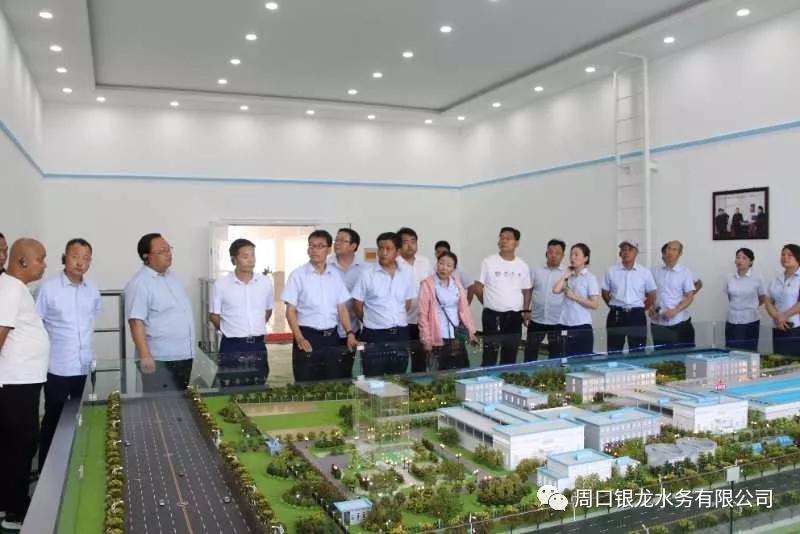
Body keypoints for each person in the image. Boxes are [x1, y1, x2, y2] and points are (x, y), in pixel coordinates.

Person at [35, 239, 103, 473]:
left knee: (84, 417)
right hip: (58, 367)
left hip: (86, 367)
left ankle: (76, 468)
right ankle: (47, 471)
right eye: (75, 256)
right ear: (65, 256)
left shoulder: (92, 290)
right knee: (54, 420)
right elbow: (36, 323)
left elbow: (90, 320)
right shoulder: (48, 289)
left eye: (86, 258)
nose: (80, 262)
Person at [0, 239, 49, 531]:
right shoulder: (10, 289)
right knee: (20, 446)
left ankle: (7, 503)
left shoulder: (14, 288)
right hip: (16, 384)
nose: (45, 264)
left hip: (21, 382)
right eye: (41, 258)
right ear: (22, 262)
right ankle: (16, 513)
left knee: (13, 446)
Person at [283, 230, 358, 382]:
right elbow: (290, 311)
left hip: (332, 338)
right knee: (306, 384)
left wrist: (350, 332)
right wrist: (300, 339)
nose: (314, 250)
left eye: (320, 246)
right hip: (307, 337)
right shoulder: (298, 275)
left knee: (333, 381)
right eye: (311, 246)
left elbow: (342, 308)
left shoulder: (335, 275)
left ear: (328, 249)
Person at [125, 233, 195, 392]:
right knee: (161, 404)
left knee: (180, 403)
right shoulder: (140, 283)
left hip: (183, 355)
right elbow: (136, 322)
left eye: (168, 249)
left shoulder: (173, 277)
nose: (168, 254)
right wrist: (145, 355)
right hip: (159, 359)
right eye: (162, 251)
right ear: (146, 256)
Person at [209, 238, 273, 386]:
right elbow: (214, 315)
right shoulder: (221, 285)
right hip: (232, 345)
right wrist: (231, 329)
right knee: (231, 388)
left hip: (257, 345)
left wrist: (255, 327)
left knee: (258, 388)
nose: (251, 260)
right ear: (234, 260)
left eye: (253, 255)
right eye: (245, 256)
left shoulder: (264, 283)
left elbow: (268, 310)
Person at [351, 232, 417, 376]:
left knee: (398, 377)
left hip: (400, 334)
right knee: (373, 378)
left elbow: (407, 303)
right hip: (375, 335)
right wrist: (371, 320)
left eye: (388, 249)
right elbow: (357, 303)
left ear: (397, 252)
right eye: (380, 248)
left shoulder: (406, 273)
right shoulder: (368, 273)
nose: (383, 252)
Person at [474, 227, 532, 367]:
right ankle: (487, 378)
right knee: (490, 353)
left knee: (510, 353)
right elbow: (478, 287)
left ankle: (506, 377)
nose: (503, 241)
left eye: (508, 238)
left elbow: (527, 291)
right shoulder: (488, 262)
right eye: (501, 237)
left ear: (516, 243)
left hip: (514, 316)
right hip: (491, 315)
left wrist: (525, 312)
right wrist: (488, 303)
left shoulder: (522, 265)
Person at [418, 251, 478, 371]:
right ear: (436, 264)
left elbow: (464, 310)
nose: (444, 268)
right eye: (441, 263)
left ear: (453, 269)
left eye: (449, 265)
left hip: (456, 334)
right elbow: (422, 314)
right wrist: (426, 338)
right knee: (441, 371)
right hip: (438, 335)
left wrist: (471, 331)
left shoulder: (456, 283)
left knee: (461, 369)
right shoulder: (427, 284)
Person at [601, 241, 657, 354]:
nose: (626, 252)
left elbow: (652, 294)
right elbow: (605, 292)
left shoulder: (644, 272)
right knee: (614, 351)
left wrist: (641, 309)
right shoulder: (611, 271)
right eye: (624, 250)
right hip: (616, 315)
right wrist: (614, 306)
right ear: (620, 253)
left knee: (637, 351)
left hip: (637, 315)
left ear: (636, 253)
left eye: (630, 250)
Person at [327, 227, 364, 378]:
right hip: (329, 329)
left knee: (345, 371)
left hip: (352, 329)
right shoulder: (325, 266)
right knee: (328, 371)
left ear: (353, 246)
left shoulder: (364, 269)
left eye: (342, 241)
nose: (337, 243)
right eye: (336, 240)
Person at [396, 227, 433, 373]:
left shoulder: (425, 262)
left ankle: (419, 383)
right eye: (405, 242)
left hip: (422, 319)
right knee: (401, 357)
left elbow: (432, 287)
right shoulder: (394, 264)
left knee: (421, 359)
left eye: (413, 241)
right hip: (402, 320)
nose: (410, 245)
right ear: (398, 245)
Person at [552, 244, 600, 357]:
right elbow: (555, 290)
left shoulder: (590, 278)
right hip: (564, 323)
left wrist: (574, 297)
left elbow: (594, 304)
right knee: (562, 358)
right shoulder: (569, 276)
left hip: (581, 325)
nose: (572, 257)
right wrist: (566, 274)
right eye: (571, 254)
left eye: (576, 254)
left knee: (580, 360)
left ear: (585, 258)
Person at [650, 241, 696, 351]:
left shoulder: (685, 272)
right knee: (660, 357)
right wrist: (651, 308)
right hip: (658, 322)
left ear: (680, 254)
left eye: (674, 250)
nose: (670, 252)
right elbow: (649, 293)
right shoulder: (654, 271)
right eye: (669, 248)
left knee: (680, 356)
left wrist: (674, 311)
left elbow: (690, 297)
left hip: (678, 323)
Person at [525, 239, 566, 361]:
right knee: (530, 351)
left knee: (556, 353)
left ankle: (553, 372)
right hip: (536, 319)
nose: (553, 255)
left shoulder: (567, 274)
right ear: (546, 253)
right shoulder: (536, 270)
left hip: (558, 320)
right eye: (550, 252)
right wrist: (526, 310)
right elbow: (528, 291)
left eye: (557, 253)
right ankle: (528, 371)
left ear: (563, 255)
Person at [723, 248, 766, 352]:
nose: (739, 260)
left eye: (744, 258)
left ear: (750, 261)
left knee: (749, 351)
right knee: (731, 351)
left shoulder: (757, 278)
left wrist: (750, 306)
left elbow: (762, 298)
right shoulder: (729, 278)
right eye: (737, 257)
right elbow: (730, 296)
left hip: (750, 320)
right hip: (732, 320)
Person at [764, 244, 800, 357]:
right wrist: (776, 316)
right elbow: (768, 301)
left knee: (794, 361)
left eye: (790, 255)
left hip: (795, 327)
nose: (785, 257)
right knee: (780, 359)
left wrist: (784, 315)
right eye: (783, 254)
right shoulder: (776, 279)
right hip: (778, 326)